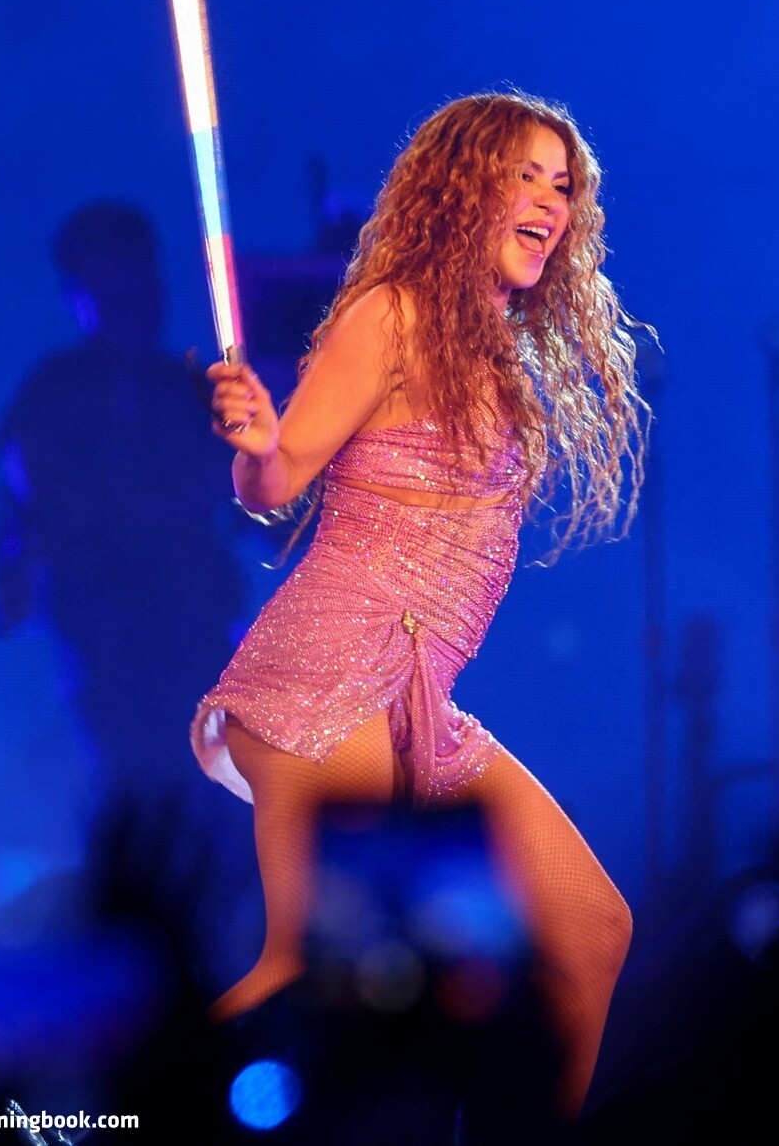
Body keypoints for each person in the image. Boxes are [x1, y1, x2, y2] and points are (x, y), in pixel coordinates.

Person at [192, 90, 652, 1124]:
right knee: (309, 965)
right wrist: (257, 443)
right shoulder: (391, 312)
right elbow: (277, 477)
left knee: (591, 933)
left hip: (417, 702)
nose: (551, 202)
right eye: (524, 177)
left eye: (562, 185)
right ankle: (82, 1109)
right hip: (329, 674)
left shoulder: (496, 349)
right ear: (461, 190)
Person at [0, 201, 247, 828]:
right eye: (113, 288)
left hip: (195, 634)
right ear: (78, 294)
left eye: (141, 282)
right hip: (108, 640)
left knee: (217, 798)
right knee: (139, 796)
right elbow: (30, 508)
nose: (134, 304)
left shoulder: (194, 389)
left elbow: (250, 499)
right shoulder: (54, 395)